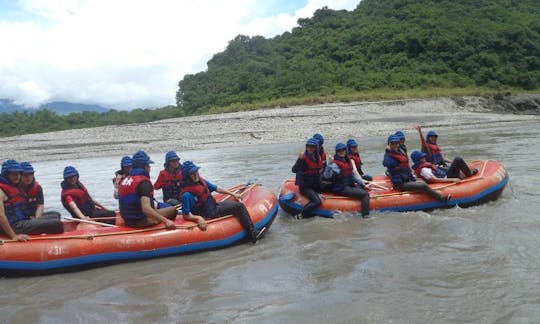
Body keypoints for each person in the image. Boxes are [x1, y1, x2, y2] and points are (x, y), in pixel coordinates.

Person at [179, 160, 263, 243]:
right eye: (192, 173)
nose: (196, 174)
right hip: (209, 213)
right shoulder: (186, 195)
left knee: (235, 204)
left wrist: (233, 194)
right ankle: (253, 234)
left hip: (214, 206)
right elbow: (186, 215)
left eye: (196, 171)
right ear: (187, 176)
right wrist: (198, 218)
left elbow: (217, 189)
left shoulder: (200, 181)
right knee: (239, 207)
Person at [0, 160, 63, 241]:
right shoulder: (1, 191)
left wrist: (36, 220)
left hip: (23, 221)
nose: (17, 176)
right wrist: (13, 236)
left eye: (19, 173)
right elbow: (1, 216)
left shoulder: (15, 186)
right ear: (6, 175)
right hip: (15, 226)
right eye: (13, 174)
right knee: (56, 224)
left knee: (56, 215)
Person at [118, 150, 177, 229]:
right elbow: (146, 209)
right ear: (144, 166)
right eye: (148, 165)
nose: (150, 167)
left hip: (127, 221)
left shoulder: (125, 180)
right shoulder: (144, 183)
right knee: (173, 210)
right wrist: (166, 221)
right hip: (141, 221)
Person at [383, 135, 451, 203]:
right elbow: (386, 163)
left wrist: (414, 180)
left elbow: (406, 170)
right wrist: (387, 151)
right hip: (399, 185)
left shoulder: (400, 153)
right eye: (392, 144)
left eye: (396, 143)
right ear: (389, 144)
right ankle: (442, 199)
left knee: (421, 181)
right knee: (423, 186)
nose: (395, 145)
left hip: (407, 180)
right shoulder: (389, 156)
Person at [328, 143, 370, 218]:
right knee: (365, 195)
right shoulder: (334, 164)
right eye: (339, 151)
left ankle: (358, 208)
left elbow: (353, 176)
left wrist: (363, 185)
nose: (342, 152)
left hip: (347, 186)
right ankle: (365, 216)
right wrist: (330, 164)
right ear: (336, 152)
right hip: (341, 188)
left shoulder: (347, 161)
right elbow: (327, 175)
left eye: (343, 150)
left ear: (346, 151)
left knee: (362, 188)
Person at [291, 138, 323, 218]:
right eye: (308, 147)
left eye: (312, 147)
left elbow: (317, 176)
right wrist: (299, 159)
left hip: (313, 185)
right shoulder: (303, 159)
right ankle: (300, 215)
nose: (310, 149)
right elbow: (294, 170)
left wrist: (319, 192)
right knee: (317, 202)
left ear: (316, 148)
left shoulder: (317, 158)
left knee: (329, 185)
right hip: (305, 187)